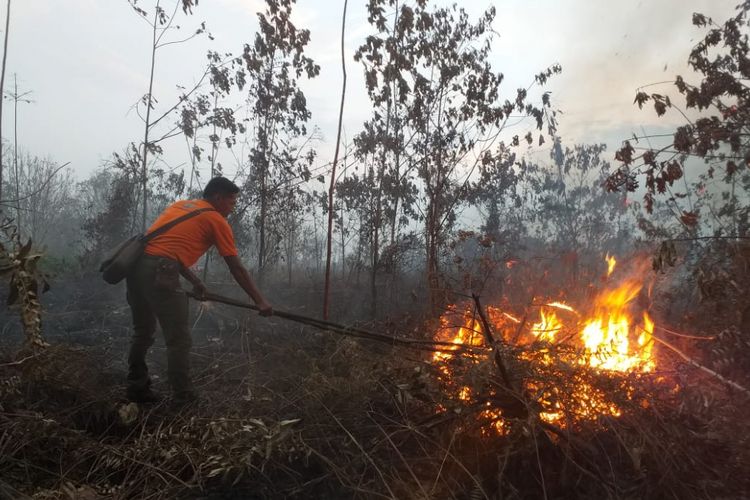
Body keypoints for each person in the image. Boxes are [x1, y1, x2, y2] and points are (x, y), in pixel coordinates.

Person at [125, 176, 273, 403]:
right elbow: (236, 267)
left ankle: (136, 387)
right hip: (160, 271)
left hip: (136, 267)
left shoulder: (181, 206)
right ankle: (183, 396)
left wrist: (195, 281)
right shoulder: (215, 219)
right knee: (179, 340)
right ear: (217, 197)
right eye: (231, 202)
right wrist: (259, 301)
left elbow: (166, 248)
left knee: (142, 331)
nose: (232, 208)